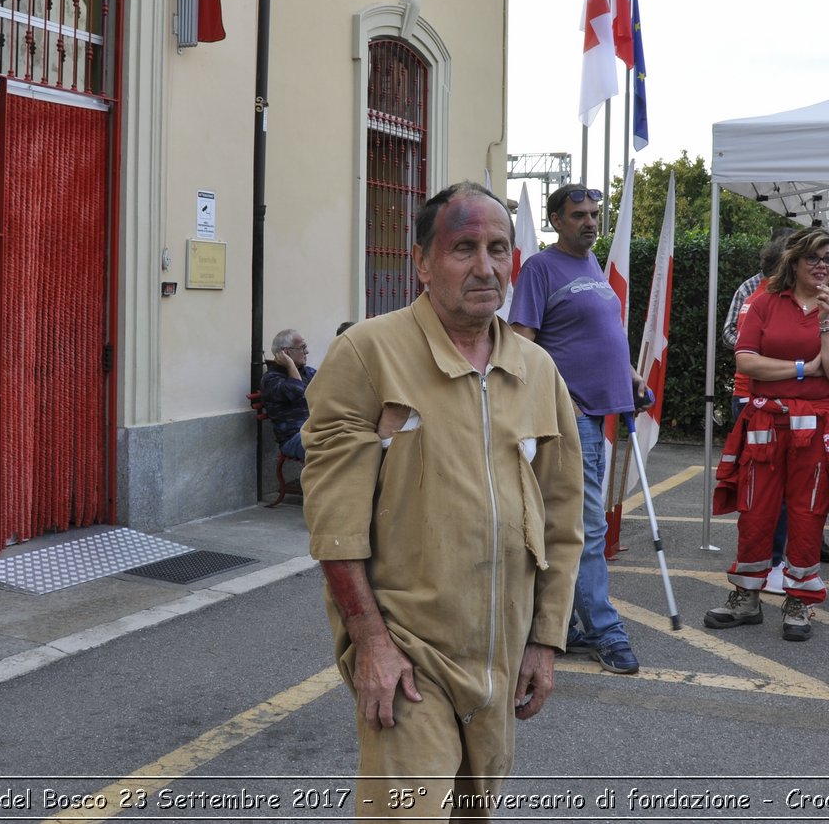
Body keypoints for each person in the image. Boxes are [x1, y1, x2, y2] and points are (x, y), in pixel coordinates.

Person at [301, 182, 583, 820]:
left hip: (502, 654)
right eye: (463, 248)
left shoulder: (538, 371)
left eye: (498, 249)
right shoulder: (369, 355)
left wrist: (544, 640)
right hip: (408, 652)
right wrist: (370, 643)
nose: (485, 267)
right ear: (423, 263)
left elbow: (564, 521)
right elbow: (335, 525)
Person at [508, 183, 647, 676]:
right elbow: (522, 342)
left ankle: (562, 622)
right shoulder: (540, 269)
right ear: (556, 221)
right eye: (579, 215)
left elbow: (602, 334)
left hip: (603, 412)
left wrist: (630, 377)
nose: (590, 221)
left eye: (595, 213)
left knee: (568, 526)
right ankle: (606, 632)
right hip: (572, 417)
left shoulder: (592, 267)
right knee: (586, 529)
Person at [705, 227, 829, 642]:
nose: (821, 266)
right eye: (813, 258)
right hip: (765, 422)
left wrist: (827, 324)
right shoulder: (763, 303)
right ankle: (746, 596)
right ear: (793, 262)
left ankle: (800, 599)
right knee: (755, 509)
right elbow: (746, 362)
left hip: (818, 427)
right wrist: (803, 369)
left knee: (808, 512)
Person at [260, 328, 315, 460]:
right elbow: (296, 391)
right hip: (293, 438)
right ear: (286, 352)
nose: (306, 351)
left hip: (316, 431)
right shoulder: (271, 379)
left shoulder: (308, 372)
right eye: (302, 348)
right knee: (333, 450)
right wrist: (290, 365)